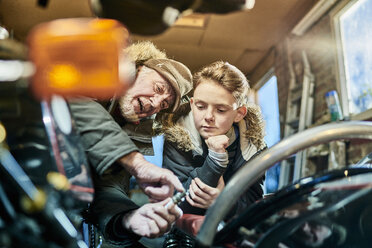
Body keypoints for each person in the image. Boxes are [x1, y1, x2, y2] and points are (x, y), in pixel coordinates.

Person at [68, 41, 193, 245]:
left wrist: (128, 218)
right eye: (158, 88)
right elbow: (77, 104)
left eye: (163, 104)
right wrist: (138, 164)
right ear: (136, 69)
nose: (154, 104)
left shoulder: (131, 133)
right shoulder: (93, 76)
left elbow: (108, 188)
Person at [159, 61, 266, 219]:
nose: (208, 117)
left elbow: (254, 208)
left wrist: (222, 202)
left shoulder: (254, 147)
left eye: (221, 110)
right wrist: (216, 159)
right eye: (201, 107)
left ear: (239, 113)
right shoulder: (176, 139)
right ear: (192, 104)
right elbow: (175, 203)